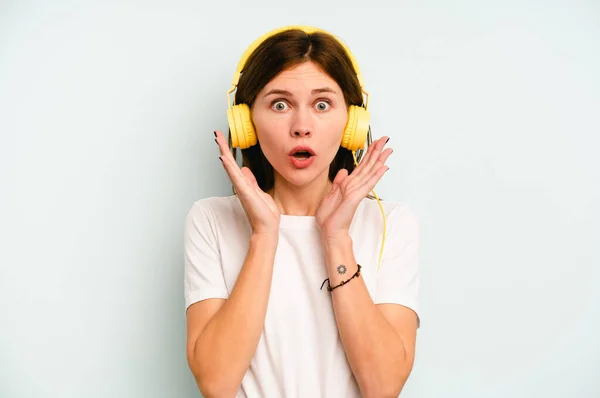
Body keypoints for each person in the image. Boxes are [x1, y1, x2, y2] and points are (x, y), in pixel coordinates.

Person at [184, 25, 421, 398]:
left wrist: (336, 238)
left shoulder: (390, 223)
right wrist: (264, 236)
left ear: (352, 125)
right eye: (280, 104)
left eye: (322, 104)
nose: (301, 127)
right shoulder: (211, 219)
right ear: (246, 124)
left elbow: (384, 385)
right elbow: (215, 383)